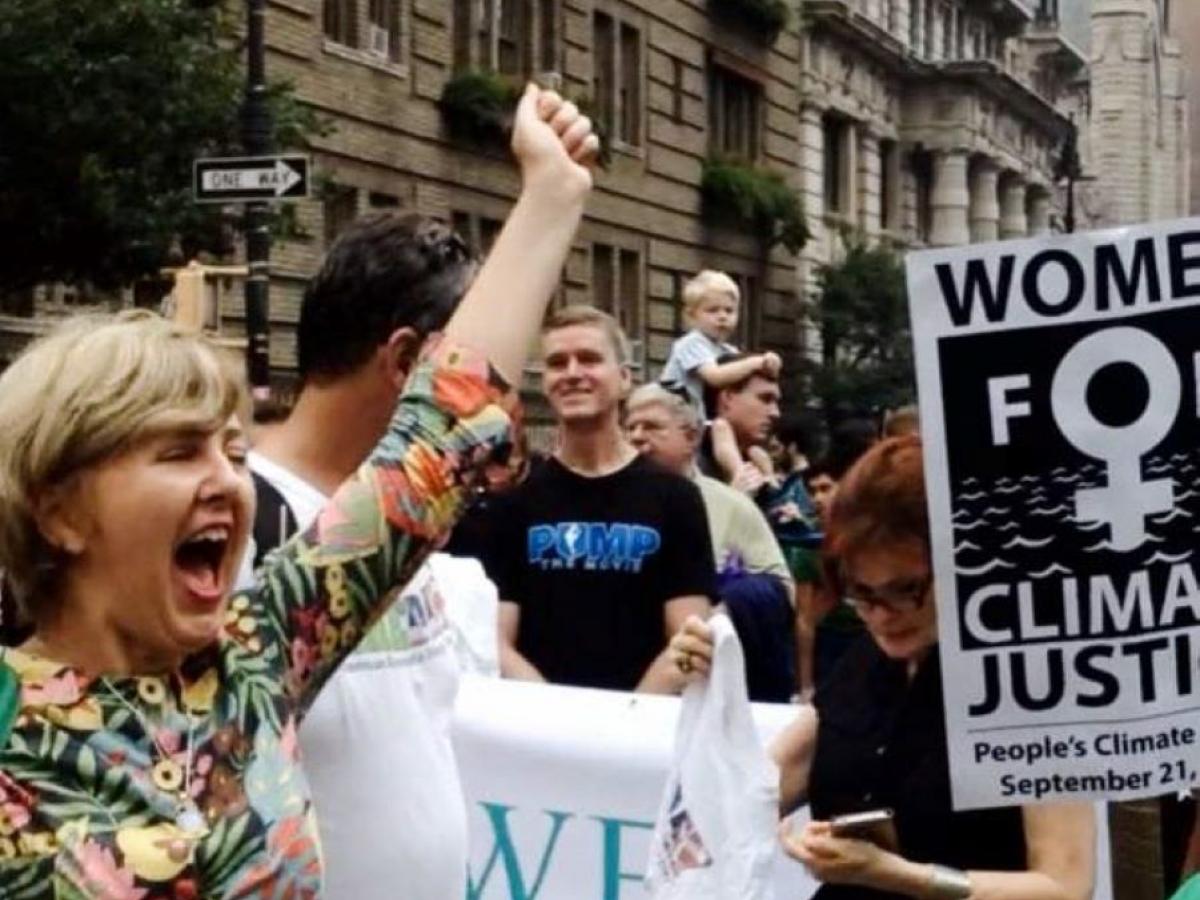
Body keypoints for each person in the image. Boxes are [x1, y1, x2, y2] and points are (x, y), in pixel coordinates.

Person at [0, 84, 598, 897]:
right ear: (59, 509)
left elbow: (438, 440)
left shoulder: (257, 659)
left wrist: (551, 195)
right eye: (179, 452)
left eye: (235, 449)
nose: (224, 479)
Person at [669, 436, 1095, 900]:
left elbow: (1066, 887)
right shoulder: (864, 661)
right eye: (862, 593)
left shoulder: (1031, 679)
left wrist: (899, 875)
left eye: (906, 589)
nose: (881, 615)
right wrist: (716, 678)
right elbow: (747, 795)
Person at [228, 212, 503, 897]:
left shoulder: (422, 532)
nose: (492, 403)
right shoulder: (236, 528)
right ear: (406, 362)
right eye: (475, 371)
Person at [487, 306, 714, 693]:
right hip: (539, 728)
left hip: (645, 728)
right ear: (545, 383)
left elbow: (690, 641)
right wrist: (559, 720)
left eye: (589, 359)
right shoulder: (513, 501)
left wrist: (624, 722)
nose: (573, 373)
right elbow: (495, 642)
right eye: (558, 363)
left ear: (625, 377)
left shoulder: (676, 498)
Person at [625, 383, 794, 701]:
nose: (636, 436)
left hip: (706, 687)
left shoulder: (731, 505)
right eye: (629, 427)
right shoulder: (613, 503)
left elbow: (783, 589)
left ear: (691, 438)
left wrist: (724, 612)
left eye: (651, 426)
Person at [659, 270, 780, 477]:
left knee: (756, 450)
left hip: (701, 419)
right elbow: (715, 377)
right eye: (712, 310)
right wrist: (755, 362)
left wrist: (770, 363)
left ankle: (770, 481)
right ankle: (739, 474)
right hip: (679, 416)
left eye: (729, 310)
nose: (722, 316)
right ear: (691, 315)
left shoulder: (728, 351)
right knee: (722, 427)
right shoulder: (691, 343)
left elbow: (746, 372)